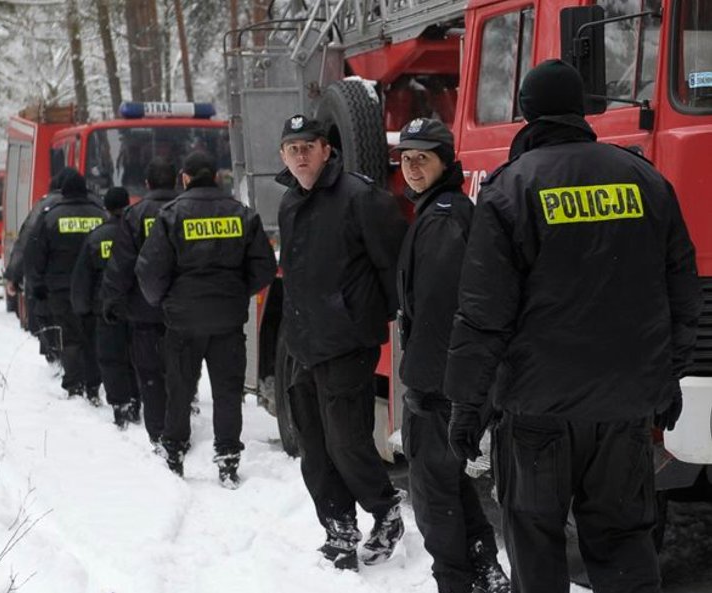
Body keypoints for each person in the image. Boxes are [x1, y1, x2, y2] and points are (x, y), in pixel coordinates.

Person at [443, 60, 700, 593]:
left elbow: (483, 314)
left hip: (538, 414)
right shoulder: (646, 180)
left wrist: (468, 405)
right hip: (624, 408)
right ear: (583, 111)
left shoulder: (511, 188)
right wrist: (668, 375)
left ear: (527, 113)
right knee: (626, 541)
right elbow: (680, 291)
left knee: (536, 544)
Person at [275, 114, 407, 570]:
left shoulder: (360, 197)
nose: (300, 155)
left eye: (308, 146)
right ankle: (338, 530)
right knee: (314, 448)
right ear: (283, 157)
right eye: (292, 149)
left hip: (347, 344)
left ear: (327, 149)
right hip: (302, 344)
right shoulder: (289, 204)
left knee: (346, 443)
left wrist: (376, 318)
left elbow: (393, 266)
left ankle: (385, 511)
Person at [393, 118, 510, 593]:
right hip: (453, 380)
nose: (413, 167)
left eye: (423, 158)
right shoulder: (449, 209)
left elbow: (441, 313)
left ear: (446, 162)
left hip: (439, 385)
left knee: (432, 495)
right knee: (449, 480)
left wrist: (425, 386)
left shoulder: (442, 218)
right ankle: (484, 564)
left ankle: (456, 581)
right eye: (406, 158)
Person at [136, 151, 276, 487]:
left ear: (184, 177)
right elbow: (265, 267)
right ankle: (227, 458)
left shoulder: (171, 216)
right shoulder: (241, 214)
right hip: (228, 321)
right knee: (227, 392)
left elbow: (150, 270)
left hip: (182, 322)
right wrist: (236, 291)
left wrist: (165, 303)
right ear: (216, 177)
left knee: (180, 390)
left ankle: (173, 452)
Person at [101, 158, 180, 448]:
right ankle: (178, 428)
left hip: (144, 310)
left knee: (149, 374)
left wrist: (112, 301)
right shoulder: (185, 211)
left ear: (147, 184)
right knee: (180, 372)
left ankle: (159, 433)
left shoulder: (135, 215)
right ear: (175, 180)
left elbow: (121, 265)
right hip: (182, 309)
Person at [26, 167, 106, 403]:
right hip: (95, 288)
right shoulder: (100, 214)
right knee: (92, 336)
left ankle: (74, 384)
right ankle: (93, 385)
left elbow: (35, 253)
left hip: (60, 289)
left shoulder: (50, 216)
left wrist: (37, 284)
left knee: (70, 337)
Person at [71, 187, 141, 429]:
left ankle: (120, 404)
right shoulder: (140, 233)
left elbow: (83, 279)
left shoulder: (96, 237)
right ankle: (136, 400)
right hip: (138, 307)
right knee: (137, 357)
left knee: (111, 359)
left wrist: (82, 310)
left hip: (106, 311)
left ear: (106, 208)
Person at [4, 171, 65, 363]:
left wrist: (13, 277)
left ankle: (55, 361)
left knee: (49, 322)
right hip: (84, 284)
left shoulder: (43, 207)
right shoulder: (93, 206)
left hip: (47, 283)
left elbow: (25, 243)